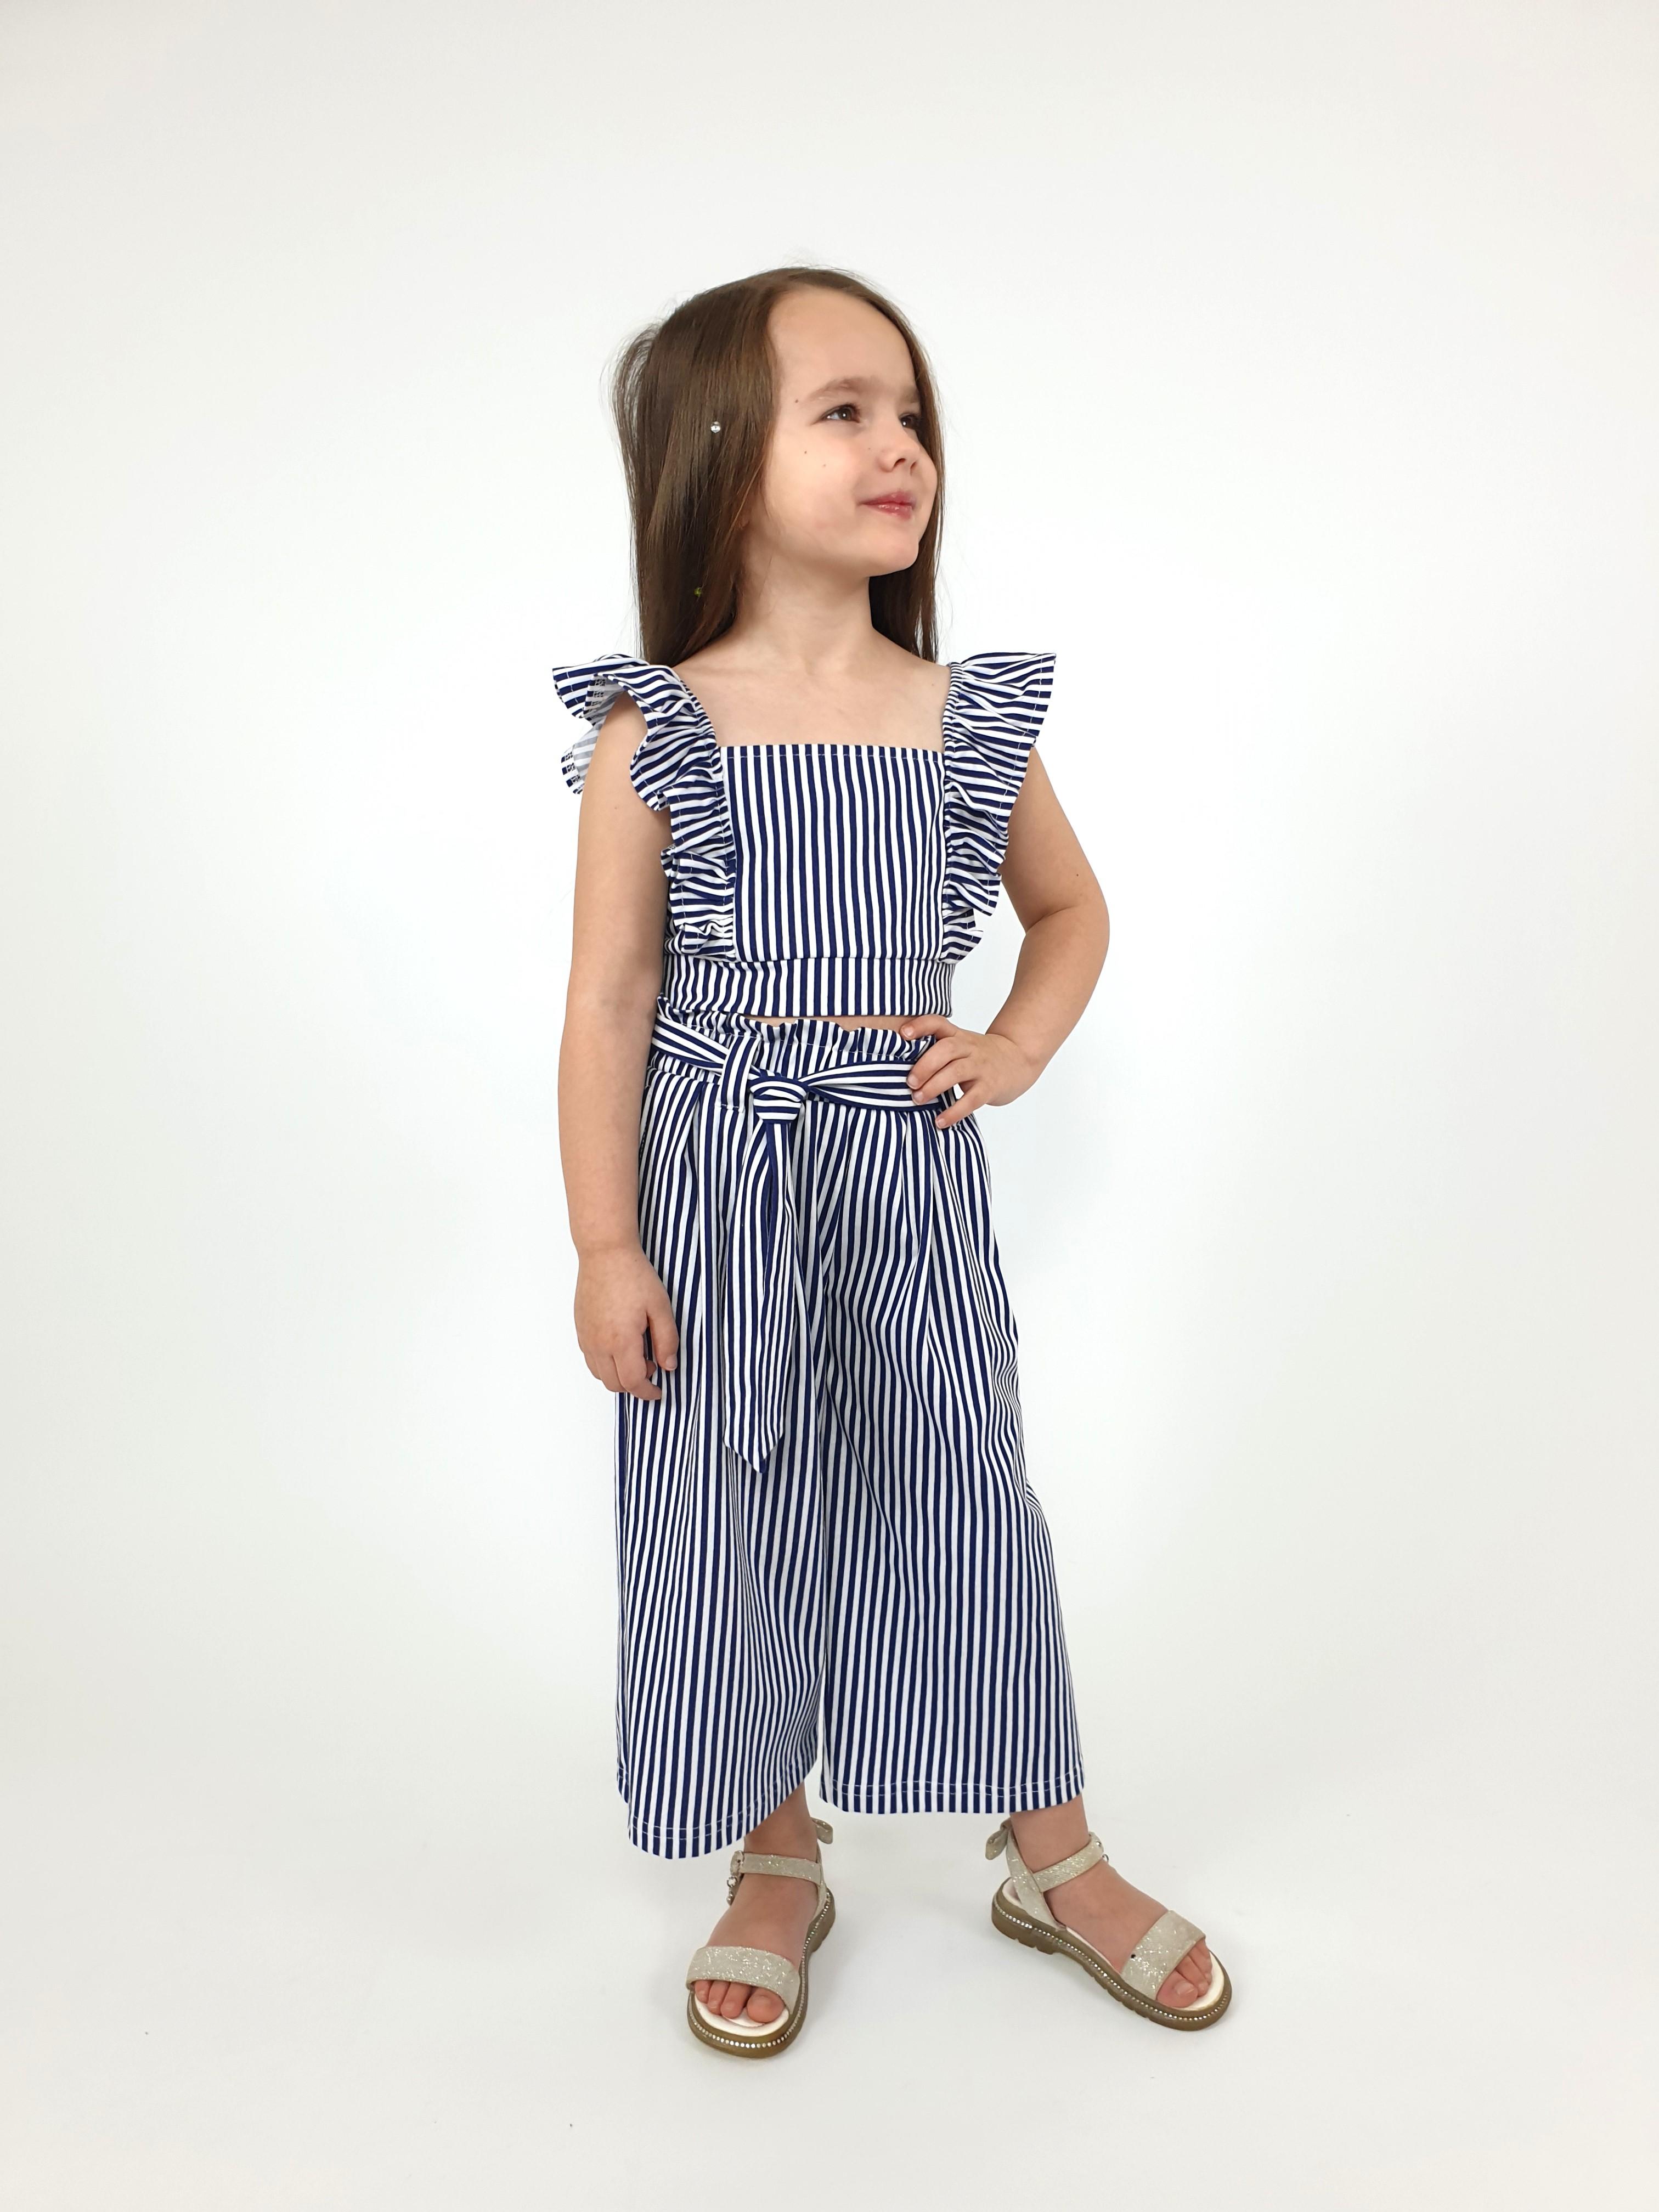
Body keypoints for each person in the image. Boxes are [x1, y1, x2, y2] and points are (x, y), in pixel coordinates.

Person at [554, 267, 1231, 2055]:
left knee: (965, 1491)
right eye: (844, 411)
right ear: (718, 456)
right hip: (716, 1188)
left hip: (904, 1174)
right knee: (728, 1504)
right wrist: (608, 1246)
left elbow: (1071, 912)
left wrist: (1013, 1044)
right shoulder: (657, 731)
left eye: (913, 413)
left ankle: (1050, 1849)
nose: (901, 447)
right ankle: (775, 1850)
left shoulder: (958, 720)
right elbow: (611, 1002)